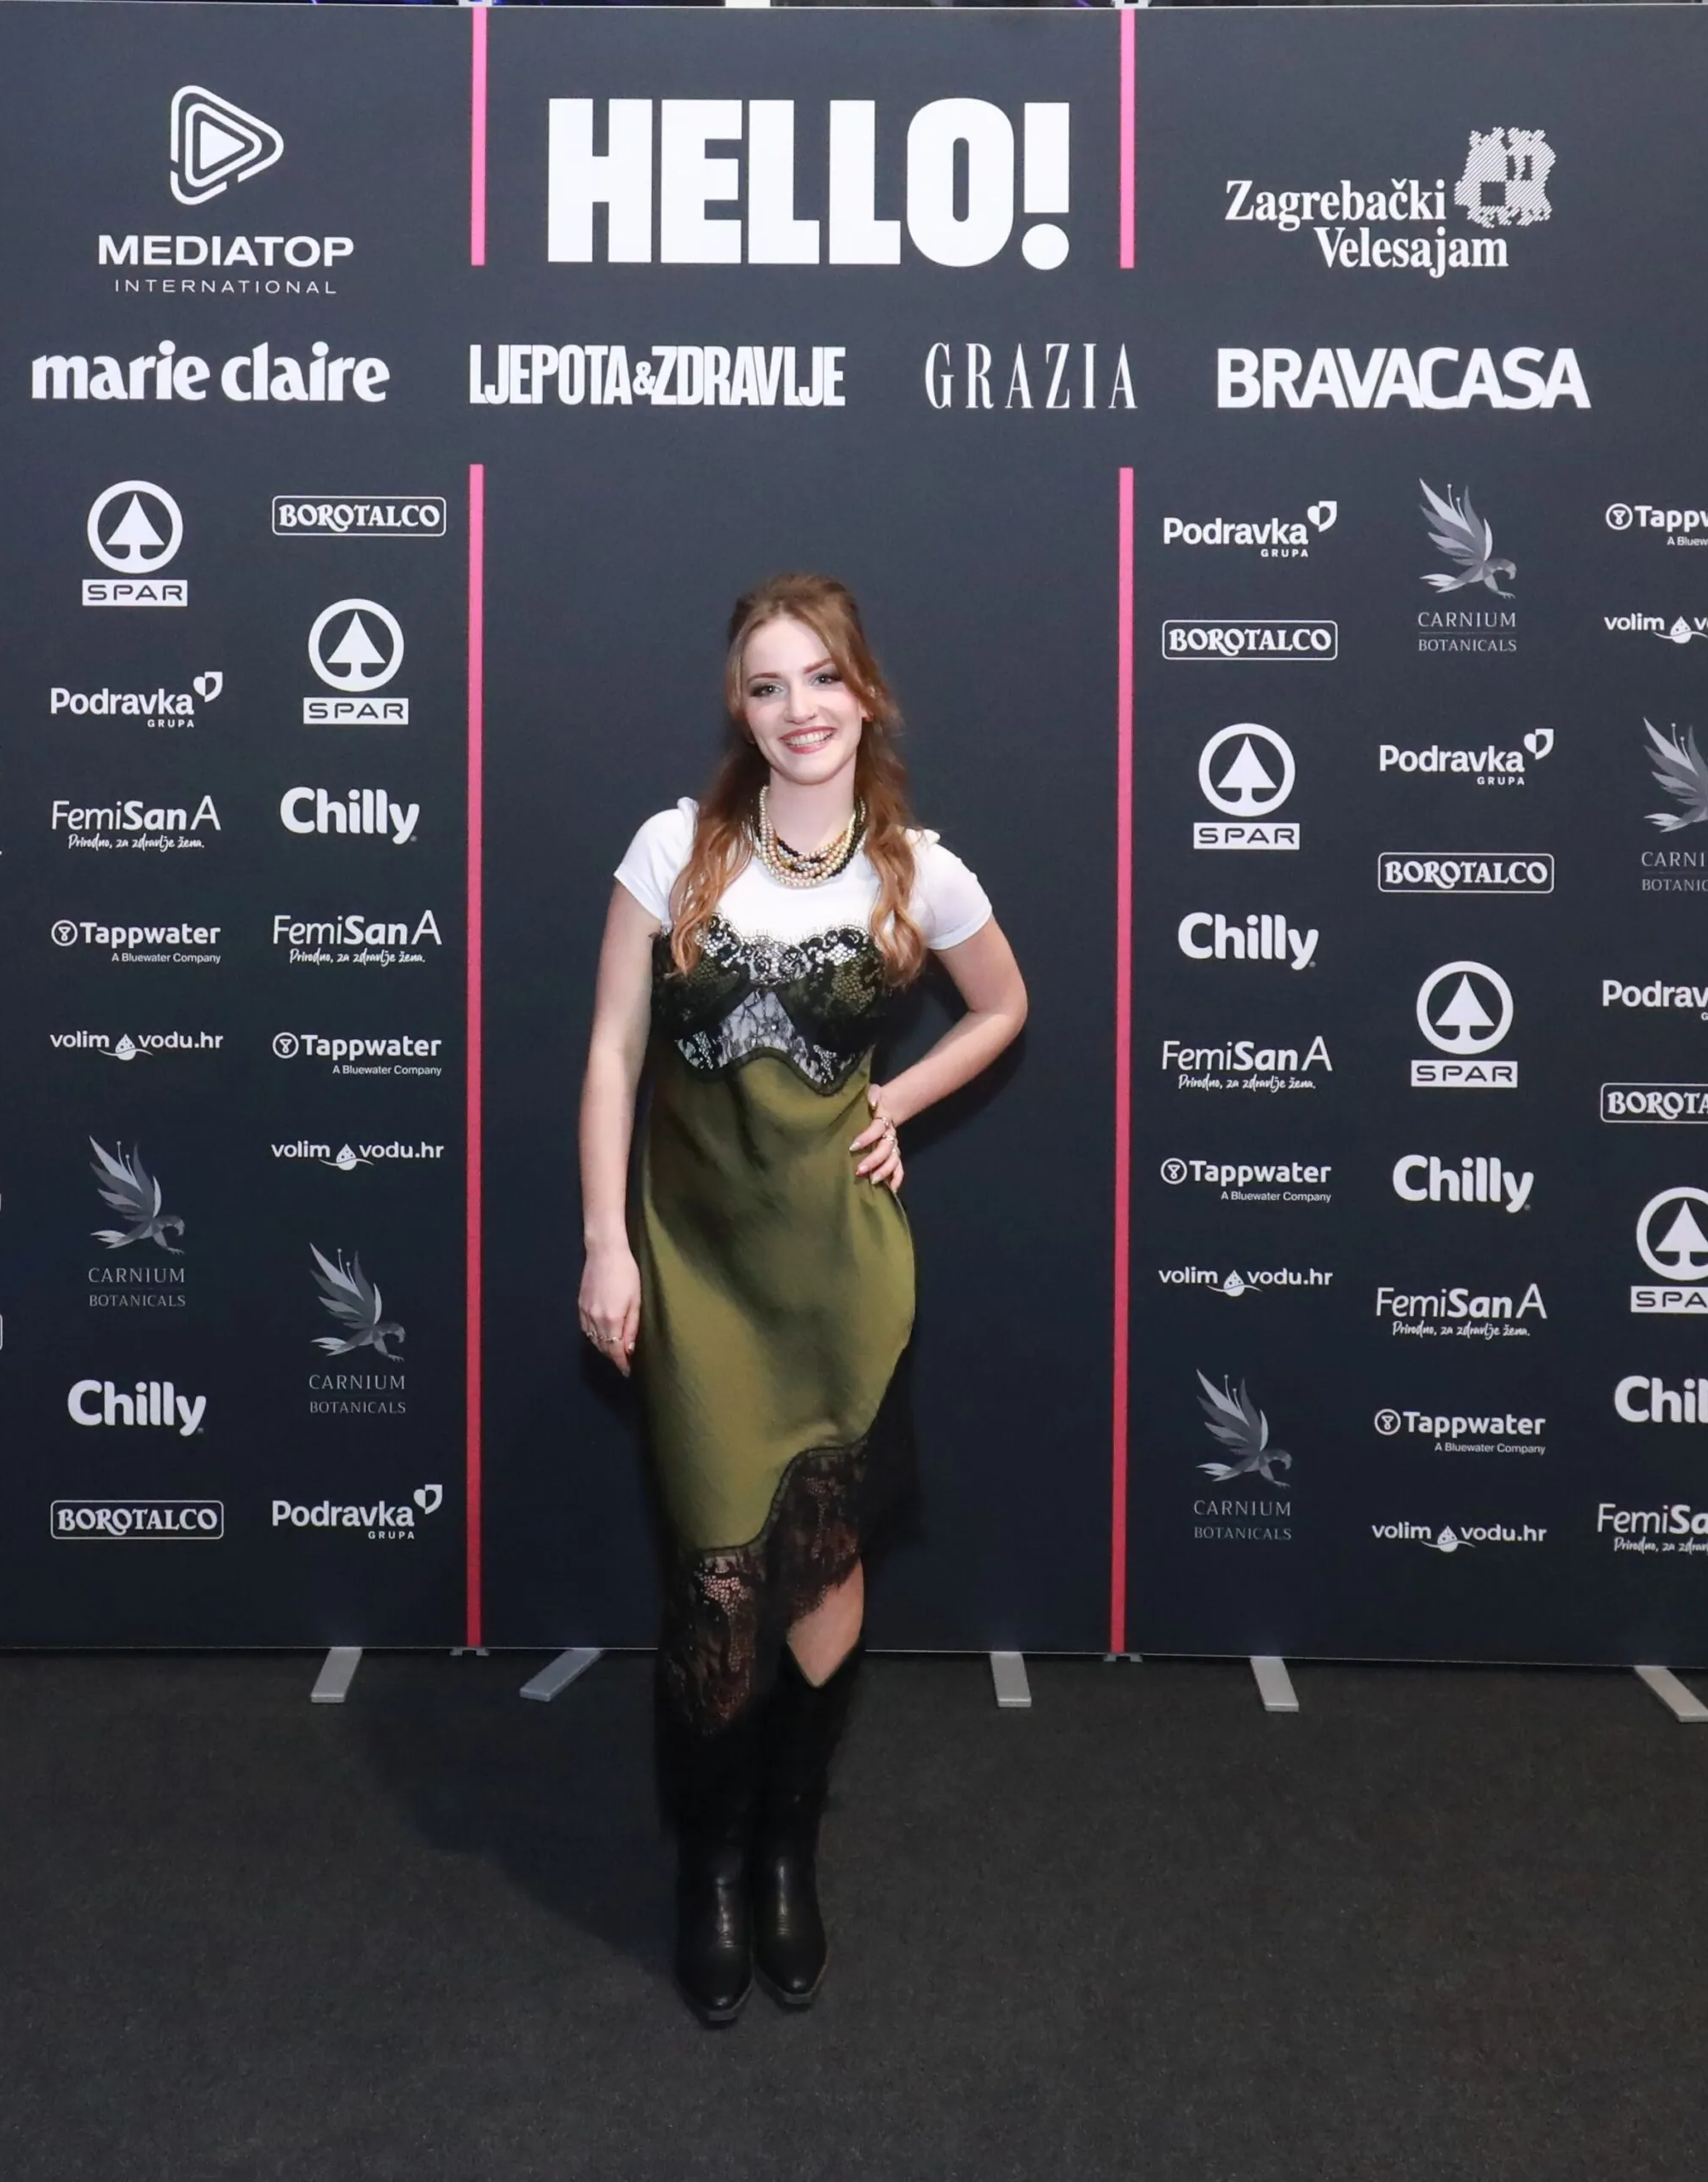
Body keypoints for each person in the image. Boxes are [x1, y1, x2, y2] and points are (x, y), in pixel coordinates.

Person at [576, 572, 1029, 2023]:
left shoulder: (918, 873)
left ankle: (785, 1851)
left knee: (825, 1569)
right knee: (718, 1577)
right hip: (697, 1269)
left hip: (841, 1275)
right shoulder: (675, 850)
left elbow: (1004, 1004)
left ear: (866, 693)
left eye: (822, 678)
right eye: (768, 686)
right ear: (741, 708)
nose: (799, 709)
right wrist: (605, 1242)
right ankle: (707, 1862)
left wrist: (901, 1094)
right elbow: (612, 1052)